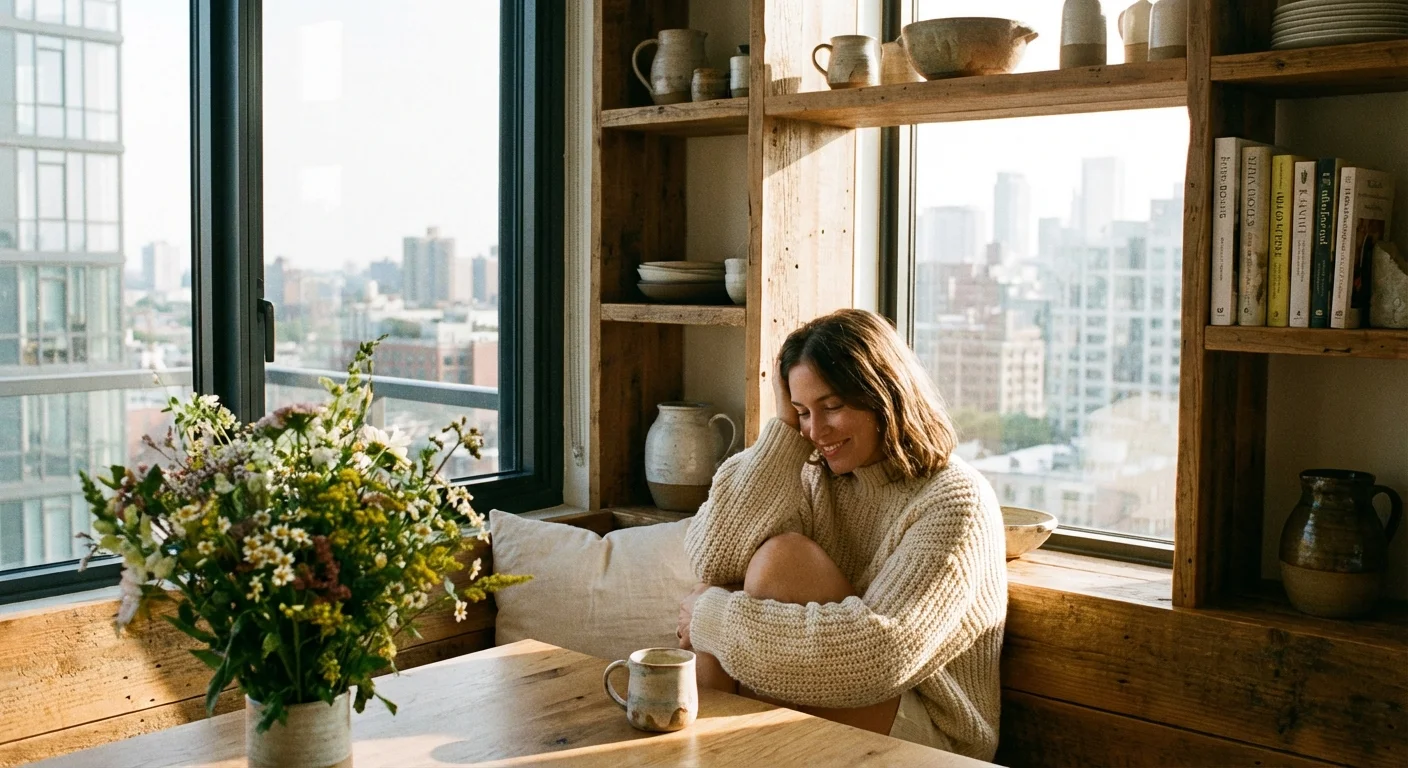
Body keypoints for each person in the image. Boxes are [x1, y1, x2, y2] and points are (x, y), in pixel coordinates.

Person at [676, 308, 1007, 760]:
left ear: (884, 395)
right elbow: (713, 560)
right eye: (802, 412)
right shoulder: (814, 471)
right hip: (846, 701)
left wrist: (710, 617)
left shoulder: (954, 500)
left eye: (832, 407)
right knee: (726, 584)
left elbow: (879, 656)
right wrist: (784, 433)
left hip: (929, 734)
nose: (817, 431)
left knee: (777, 565)